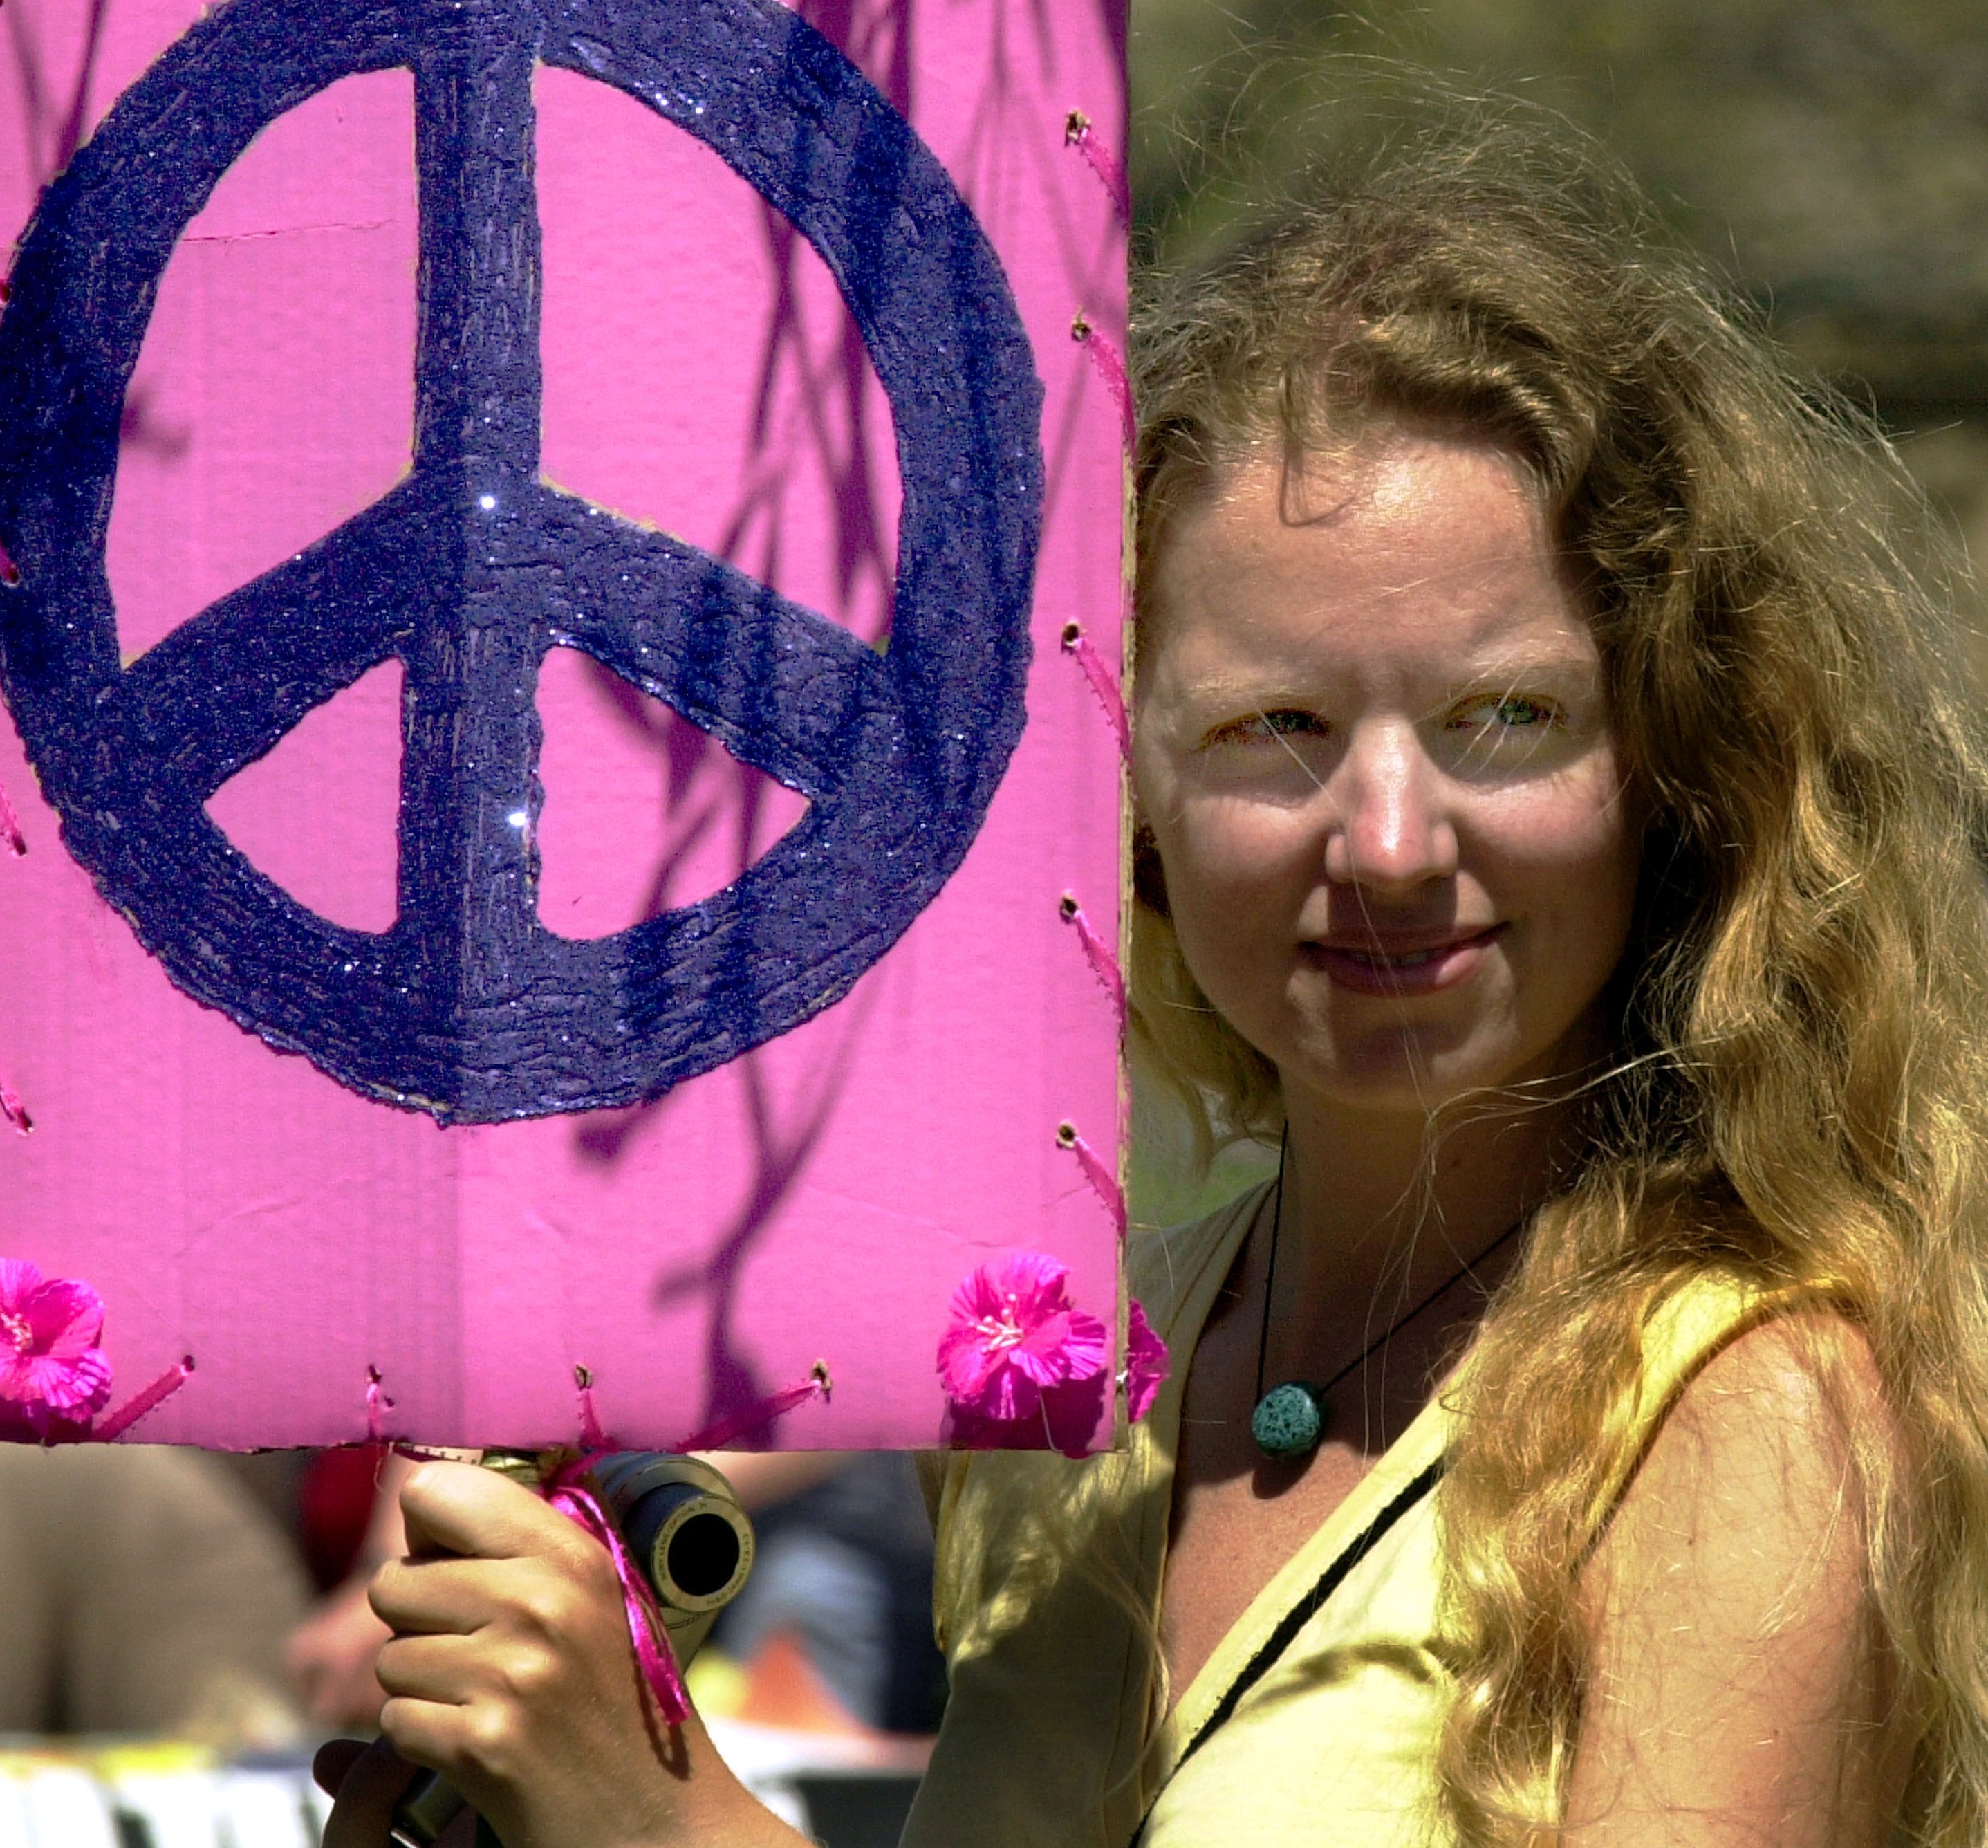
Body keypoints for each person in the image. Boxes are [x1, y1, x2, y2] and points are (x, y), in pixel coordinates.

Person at [313, 100, 1988, 1847]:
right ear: (1122, 800)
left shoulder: (1752, 1413)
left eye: (1508, 717)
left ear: (1671, 759)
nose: (1393, 839)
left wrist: (669, 1825)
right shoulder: (1077, 1381)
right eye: (1278, 728)